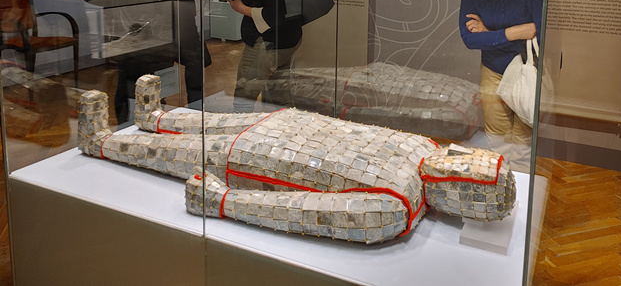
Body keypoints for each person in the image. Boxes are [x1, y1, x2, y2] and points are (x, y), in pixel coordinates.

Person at [78, 73, 517, 244]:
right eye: (473, 159)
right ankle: (155, 117)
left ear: (461, 195)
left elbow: (304, 209)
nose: (458, 161)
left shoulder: (395, 206)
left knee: (173, 152)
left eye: (468, 174)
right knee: (204, 121)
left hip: (254, 157)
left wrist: (224, 201)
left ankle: (100, 142)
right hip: (283, 128)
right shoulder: (427, 149)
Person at [458, 0, 545, 172]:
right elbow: (469, 38)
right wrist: (515, 32)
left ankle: (519, 192)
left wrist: (489, 33)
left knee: (522, 144)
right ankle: (501, 191)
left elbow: (541, 33)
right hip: (493, 69)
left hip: (527, 70)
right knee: (497, 143)